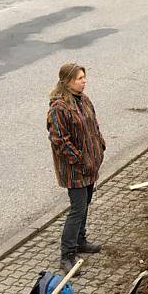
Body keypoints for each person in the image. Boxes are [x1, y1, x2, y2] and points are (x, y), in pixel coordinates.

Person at [47, 63, 106, 274]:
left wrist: (100, 144)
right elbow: (59, 140)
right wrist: (79, 160)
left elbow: (94, 125)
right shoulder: (59, 108)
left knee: (85, 204)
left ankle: (81, 240)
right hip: (75, 170)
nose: (84, 81)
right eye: (80, 78)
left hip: (90, 164)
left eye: (84, 77)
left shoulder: (84, 100)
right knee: (77, 209)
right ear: (68, 81)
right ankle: (67, 254)